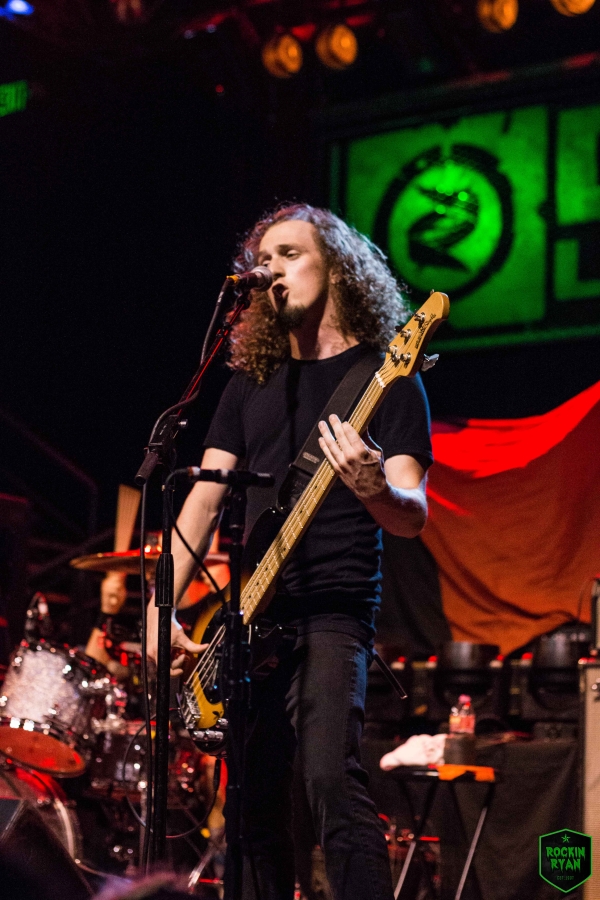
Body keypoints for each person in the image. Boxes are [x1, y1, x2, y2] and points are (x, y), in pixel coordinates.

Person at [147, 204, 433, 900]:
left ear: (338, 268)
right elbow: (203, 503)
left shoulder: (388, 376)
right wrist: (159, 610)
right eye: (262, 258)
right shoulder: (248, 384)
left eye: (289, 254)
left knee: (328, 780)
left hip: (333, 610)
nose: (269, 269)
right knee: (250, 803)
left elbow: (412, 516)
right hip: (252, 618)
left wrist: (375, 488)